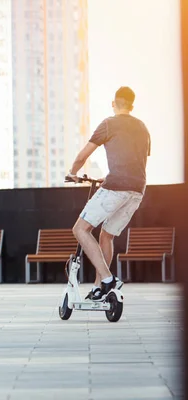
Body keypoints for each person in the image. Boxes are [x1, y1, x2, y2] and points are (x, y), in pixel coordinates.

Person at [66, 86, 151, 301]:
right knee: (107, 235)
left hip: (117, 188)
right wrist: (111, 176)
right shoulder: (142, 127)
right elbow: (136, 161)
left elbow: (82, 155)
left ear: (114, 104)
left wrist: (73, 173)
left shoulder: (108, 123)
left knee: (80, 229)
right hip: (137, 190)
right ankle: (98, 287)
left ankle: (107, 279)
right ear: (132, 105)